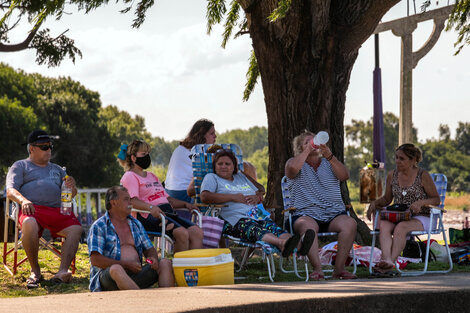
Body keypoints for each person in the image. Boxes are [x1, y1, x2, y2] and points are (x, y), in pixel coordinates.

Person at [200, 149, 315, 257]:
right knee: (257, 230)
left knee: (275, 229)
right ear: (215, 166)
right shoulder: (212, 178)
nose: (223, 167)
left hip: (257, 214)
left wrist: (257, 196)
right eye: (220, 164)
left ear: (234, 166)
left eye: (227, 164)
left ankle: (298, 245)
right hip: (234, 220)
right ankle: (283, 244)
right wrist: (232, 197)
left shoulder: (240, 176)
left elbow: (261, 188)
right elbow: (204, 197)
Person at [6, 130, 82, 288]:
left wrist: (72, 187)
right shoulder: (20, 166)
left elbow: (71, 194)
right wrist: (24, 200)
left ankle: (62, 271)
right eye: (44, 147)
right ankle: (36, 271)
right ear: (31, 148)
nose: (49, 150)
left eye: (50, 146)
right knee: (30, 224)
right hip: (32, 208)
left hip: (57, 210)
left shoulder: (58, 169)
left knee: (76, 228)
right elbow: (10, 190)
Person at [285, 131, 357, 280]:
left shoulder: (329, 163)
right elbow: (291, 171)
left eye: (315, 141)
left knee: (349, 223)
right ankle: (317, 269)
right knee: (309, 227)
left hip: (332, 214)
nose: (314, 144)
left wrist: (330, 156)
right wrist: (307, 150)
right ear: (300, 148)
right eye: (307, 142)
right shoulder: (294, 162)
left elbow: (344, 176)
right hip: (305, 214)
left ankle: (339, 270)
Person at [118, 139, 203, 252]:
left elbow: (167, 199)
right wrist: (151, 207)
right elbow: (132, 201)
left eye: (148, 154)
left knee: (197, 232)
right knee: (182, 233)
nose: (147, 157)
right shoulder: (130, 176)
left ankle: (193, 266)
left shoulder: (152, 176)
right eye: (143, 154)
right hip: (148, 216)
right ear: (133, 158)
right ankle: (179, 267)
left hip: (167, 213)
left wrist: (186, 204)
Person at [366, 143, 440, 273]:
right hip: (400, 215)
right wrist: (374, 203)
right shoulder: (392, 175)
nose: (397, 161)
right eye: (396, 158)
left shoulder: (422, 175)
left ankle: (390, 262)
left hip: (422, 216)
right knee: (383, 225)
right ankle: (386, 260)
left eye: (402, 158)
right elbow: (387, 199)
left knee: (401, 227)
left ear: (412, 160)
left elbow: (436, 199)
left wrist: (420, 203)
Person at [87, 186, 175, 291]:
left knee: (165, 263)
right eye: (126, 200)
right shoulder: (99, 226)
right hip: (109, 278)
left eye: (130, 199)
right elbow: (95, 260)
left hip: (136, 274)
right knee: (116, 269)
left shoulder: (135, 223)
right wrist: (126, 265)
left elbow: (149, 249)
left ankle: (167, 303)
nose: (130, 203)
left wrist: (153, 258)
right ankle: (138, 299)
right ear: (114, 203)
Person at [165, 119, 217, 203]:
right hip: (183, 194)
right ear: (202, 135)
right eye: (212, 133)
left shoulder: (181, 148)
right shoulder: (198, 151)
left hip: (169, 192)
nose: (215, 136)